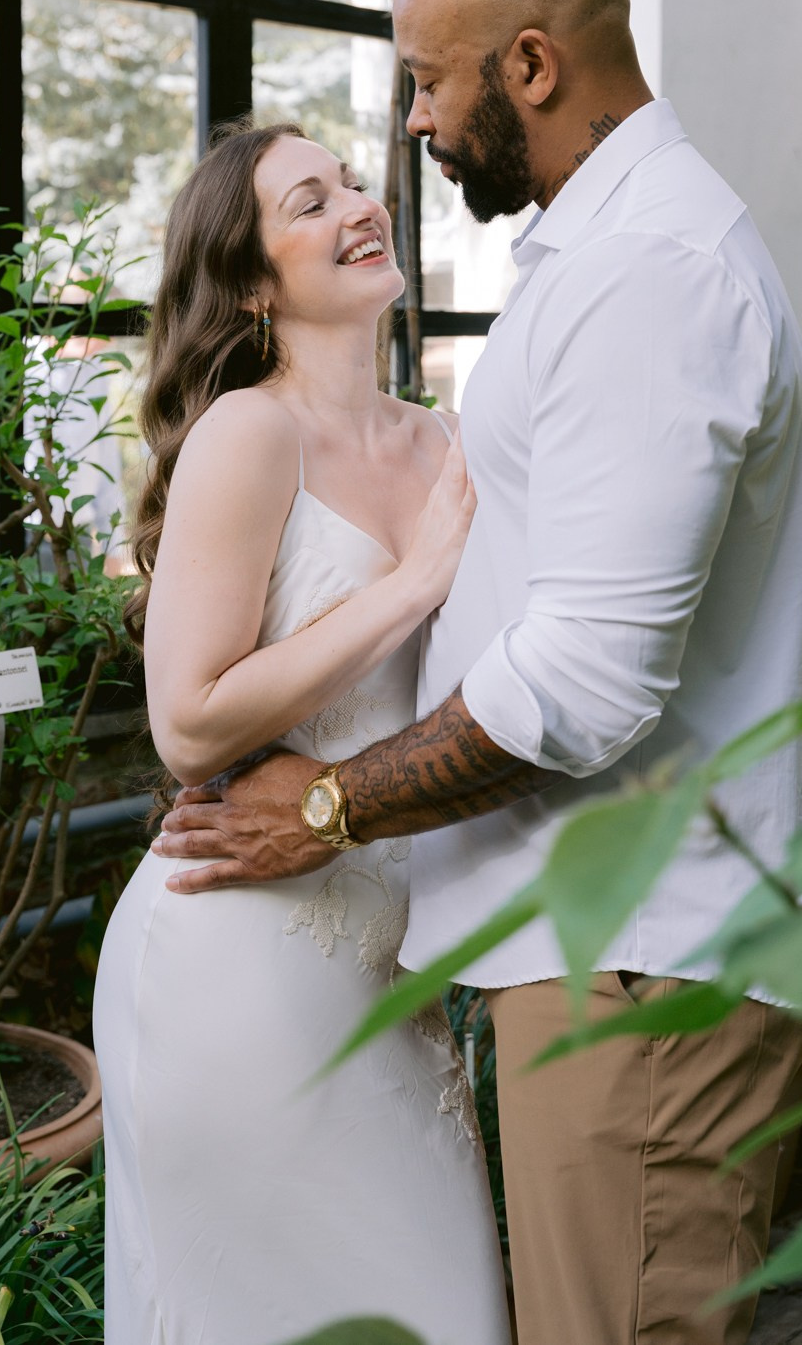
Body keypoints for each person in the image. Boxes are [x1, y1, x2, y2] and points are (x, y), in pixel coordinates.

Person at [156, 0, 802, 1345]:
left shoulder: (644, 275)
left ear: (529, 66)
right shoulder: (598, 259)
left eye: (426, 78)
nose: (410, 128)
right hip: (577, 950)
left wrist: (334, 803)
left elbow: (582, 683)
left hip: (647, 961)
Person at [92, 119, 511, 1345]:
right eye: (308, 201)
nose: (356, 208)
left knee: (444, 1309)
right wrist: (413, 579)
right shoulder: (248, 432)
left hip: (391, 965)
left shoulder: (442, 444)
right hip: (241, 960)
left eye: (354, 185)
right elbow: (188, 721)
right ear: (255, 280)